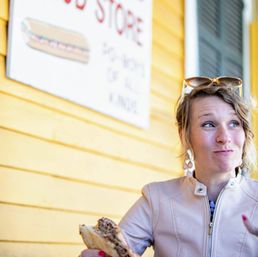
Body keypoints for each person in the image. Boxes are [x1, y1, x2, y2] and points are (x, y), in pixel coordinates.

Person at [80, 76, 258, 257]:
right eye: (209, 124)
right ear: (184, 137)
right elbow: (116, 249)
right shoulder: (156, 199)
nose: (225, 137)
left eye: (234, 123)